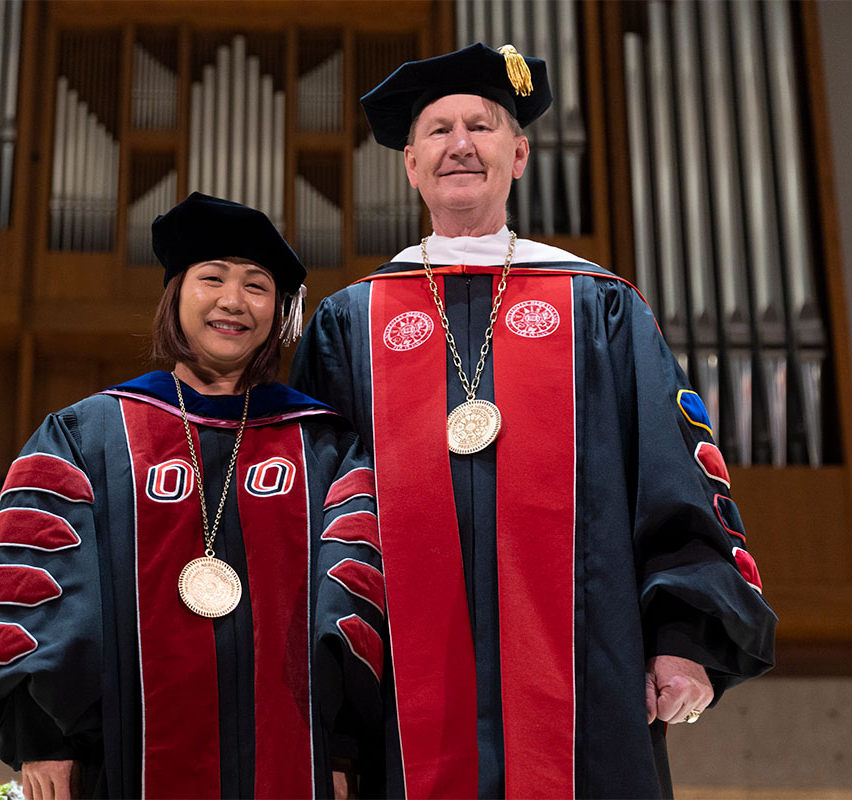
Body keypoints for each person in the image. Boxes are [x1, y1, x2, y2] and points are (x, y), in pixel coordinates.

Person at [290, 43, 777, 798]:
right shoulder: (349, 323)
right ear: (411, 164)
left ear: (518, 155)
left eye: (481, 127)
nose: (460, 145)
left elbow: (671, 470)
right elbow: (317, 517)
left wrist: (684, 639)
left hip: (585, 669)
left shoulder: (598, 306)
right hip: (403, 690)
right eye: (439, 130)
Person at [0, 192, 385, 799]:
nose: (233, 301)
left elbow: (352, 601)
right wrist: (44, 739)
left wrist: (341, 750)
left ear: (278, 312)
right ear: (176, 295)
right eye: (212, 278)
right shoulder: (89, 438)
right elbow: (35, 586)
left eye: (257, 286)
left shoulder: (325, 448)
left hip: (295, 762)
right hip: (124, 763)